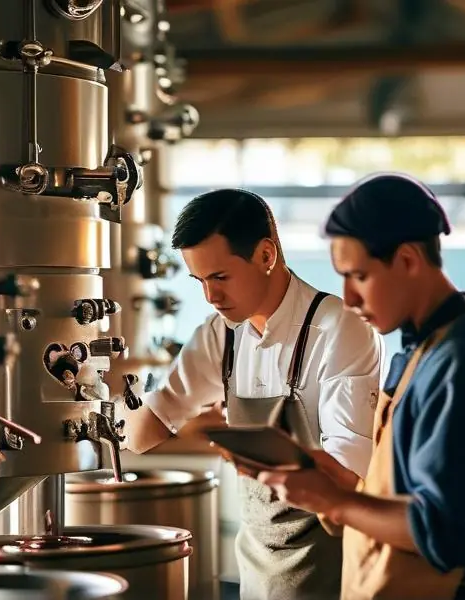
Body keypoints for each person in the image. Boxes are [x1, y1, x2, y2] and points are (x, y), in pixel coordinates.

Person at [253, 173, 465, 600]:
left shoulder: (464, 364)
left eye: (359, 276)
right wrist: (331, 481)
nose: (348, 298)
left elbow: (443, 533)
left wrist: (338, 503)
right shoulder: (426, 349)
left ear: (408, 260)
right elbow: (401, 493)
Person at [119, 188, 384, 600]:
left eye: (220, 277)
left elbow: (348, 478)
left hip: (329, 568)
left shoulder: (340, 329)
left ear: (266, 255)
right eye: (200, 281)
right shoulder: (220, 334)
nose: (210, 296)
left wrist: (259, 455)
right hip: (257, 572)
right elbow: (142, 434)